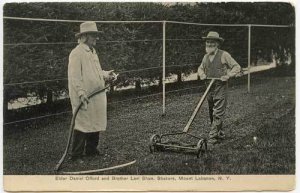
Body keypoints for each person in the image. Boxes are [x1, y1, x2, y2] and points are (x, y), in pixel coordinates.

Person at [68, 21, 117, 162]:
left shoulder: (93, 52)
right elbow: (74, 76)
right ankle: (76, 155)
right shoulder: (76, 53)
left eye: (96, 35)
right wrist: (81, 93)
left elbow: (95, 71)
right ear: (85, 36)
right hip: (85, 95)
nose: (97, 38)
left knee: (95, 120)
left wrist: (106, 75)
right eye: (94, 35)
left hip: (97, 94)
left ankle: (91, 150)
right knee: (82, 123)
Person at [198, 31, 241, 144]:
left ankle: (212, 137)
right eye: (207, 42)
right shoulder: (205, 57)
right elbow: (200, 68)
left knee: (218, 112)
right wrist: (201, 74)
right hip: (209, 87)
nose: (209, 44)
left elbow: (237, 67)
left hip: (220, 87)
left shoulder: (224, 55)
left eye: (212, 42)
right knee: (212, 111)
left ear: (217, 43)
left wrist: (228, 75)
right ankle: (219, 132)